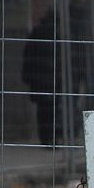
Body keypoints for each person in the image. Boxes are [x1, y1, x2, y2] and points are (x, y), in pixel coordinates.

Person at [21, 9, 59, 147]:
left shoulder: (36, 32)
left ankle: (44, 137)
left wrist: (28, 75)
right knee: (52, 109)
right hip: (53, 78)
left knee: (42, 109)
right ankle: (52, 137)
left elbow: (28, 55)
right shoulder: (57, 34)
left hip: (39, 78)